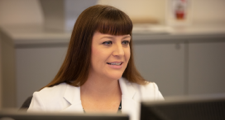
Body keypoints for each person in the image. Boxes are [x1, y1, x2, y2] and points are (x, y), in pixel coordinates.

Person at [28, 5, 163, 120]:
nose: (120, 52)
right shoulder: (46, 103)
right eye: (107, 42)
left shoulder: (150, 95)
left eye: (125, 42)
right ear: (83, 47)